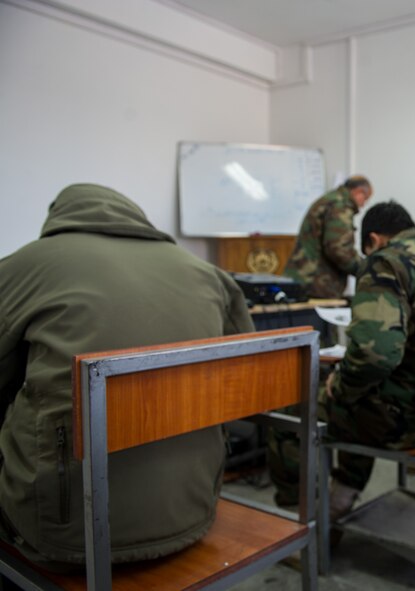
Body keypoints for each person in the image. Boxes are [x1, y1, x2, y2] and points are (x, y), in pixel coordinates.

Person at [0, 184, 254, 569]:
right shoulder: (207, 274)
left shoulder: (23, 266)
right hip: (196, 507)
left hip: (64, 534)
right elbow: (244, 378)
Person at [268, 201, 415, 517]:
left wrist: (339, 387)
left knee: (291, 408)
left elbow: (375, 356)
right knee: (361, 393)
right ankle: (341, 494)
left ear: (373, 240)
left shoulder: (385, 263)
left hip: (408, 421)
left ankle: (298, 517)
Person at [283, 175, 372, 298]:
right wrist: (367, 270)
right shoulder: (340, 205)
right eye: (365, 199)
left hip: (305, 278)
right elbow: (339, 249)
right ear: (358, 192)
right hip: (315, 283)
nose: (363, 205)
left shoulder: (331, 199)